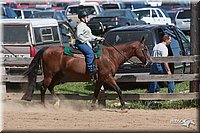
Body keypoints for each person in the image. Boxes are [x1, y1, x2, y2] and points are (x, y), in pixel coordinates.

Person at [75, 10, 103, 75]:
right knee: (90, 53)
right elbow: (79, 35)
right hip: (81, 43)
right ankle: (90, 69)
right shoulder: (80, 26)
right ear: (82, 18)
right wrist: (86, 40)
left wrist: (99, 38)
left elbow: (90, 36)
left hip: (85, 42)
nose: (88, 18)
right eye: (87, 17)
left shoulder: (85, 25)